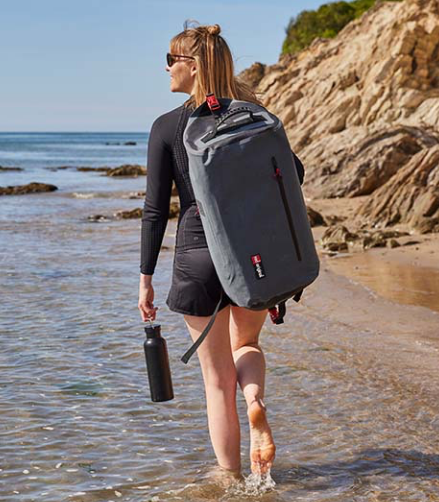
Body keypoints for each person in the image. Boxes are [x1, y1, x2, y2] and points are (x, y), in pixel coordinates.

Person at [138, 21, 304, 477]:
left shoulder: (167, 127)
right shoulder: (254, 116)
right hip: (253, 254)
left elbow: (155, 210)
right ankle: (255, 401)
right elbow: (294, 175)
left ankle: (230, 481)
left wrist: (145, 278)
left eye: (171, 60)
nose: (166, 68)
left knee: (216, 382)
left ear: (193, 67)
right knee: (246, 343)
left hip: (197, 254)